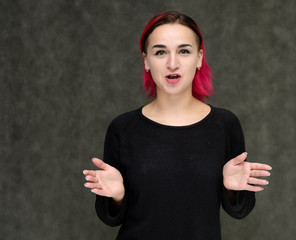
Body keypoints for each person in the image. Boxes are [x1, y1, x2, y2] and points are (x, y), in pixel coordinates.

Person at [83, 11, 272, 240]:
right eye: (160, 52)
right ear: (146, 60)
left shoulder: (225, 125)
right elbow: (109, 217)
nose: (173, 64)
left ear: (200, 57)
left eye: (184, 51)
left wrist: (231, 189)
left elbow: (240, 210)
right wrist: (117, 196)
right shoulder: (123, 128)